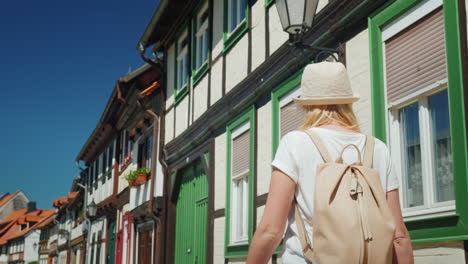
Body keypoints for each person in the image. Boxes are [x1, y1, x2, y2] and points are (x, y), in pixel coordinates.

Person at [246, 62, 414, 264]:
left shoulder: (295, 142)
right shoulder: (378, 148)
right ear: (348, 103)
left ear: (306, 104)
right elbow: (399, 236)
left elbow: (271, 231)